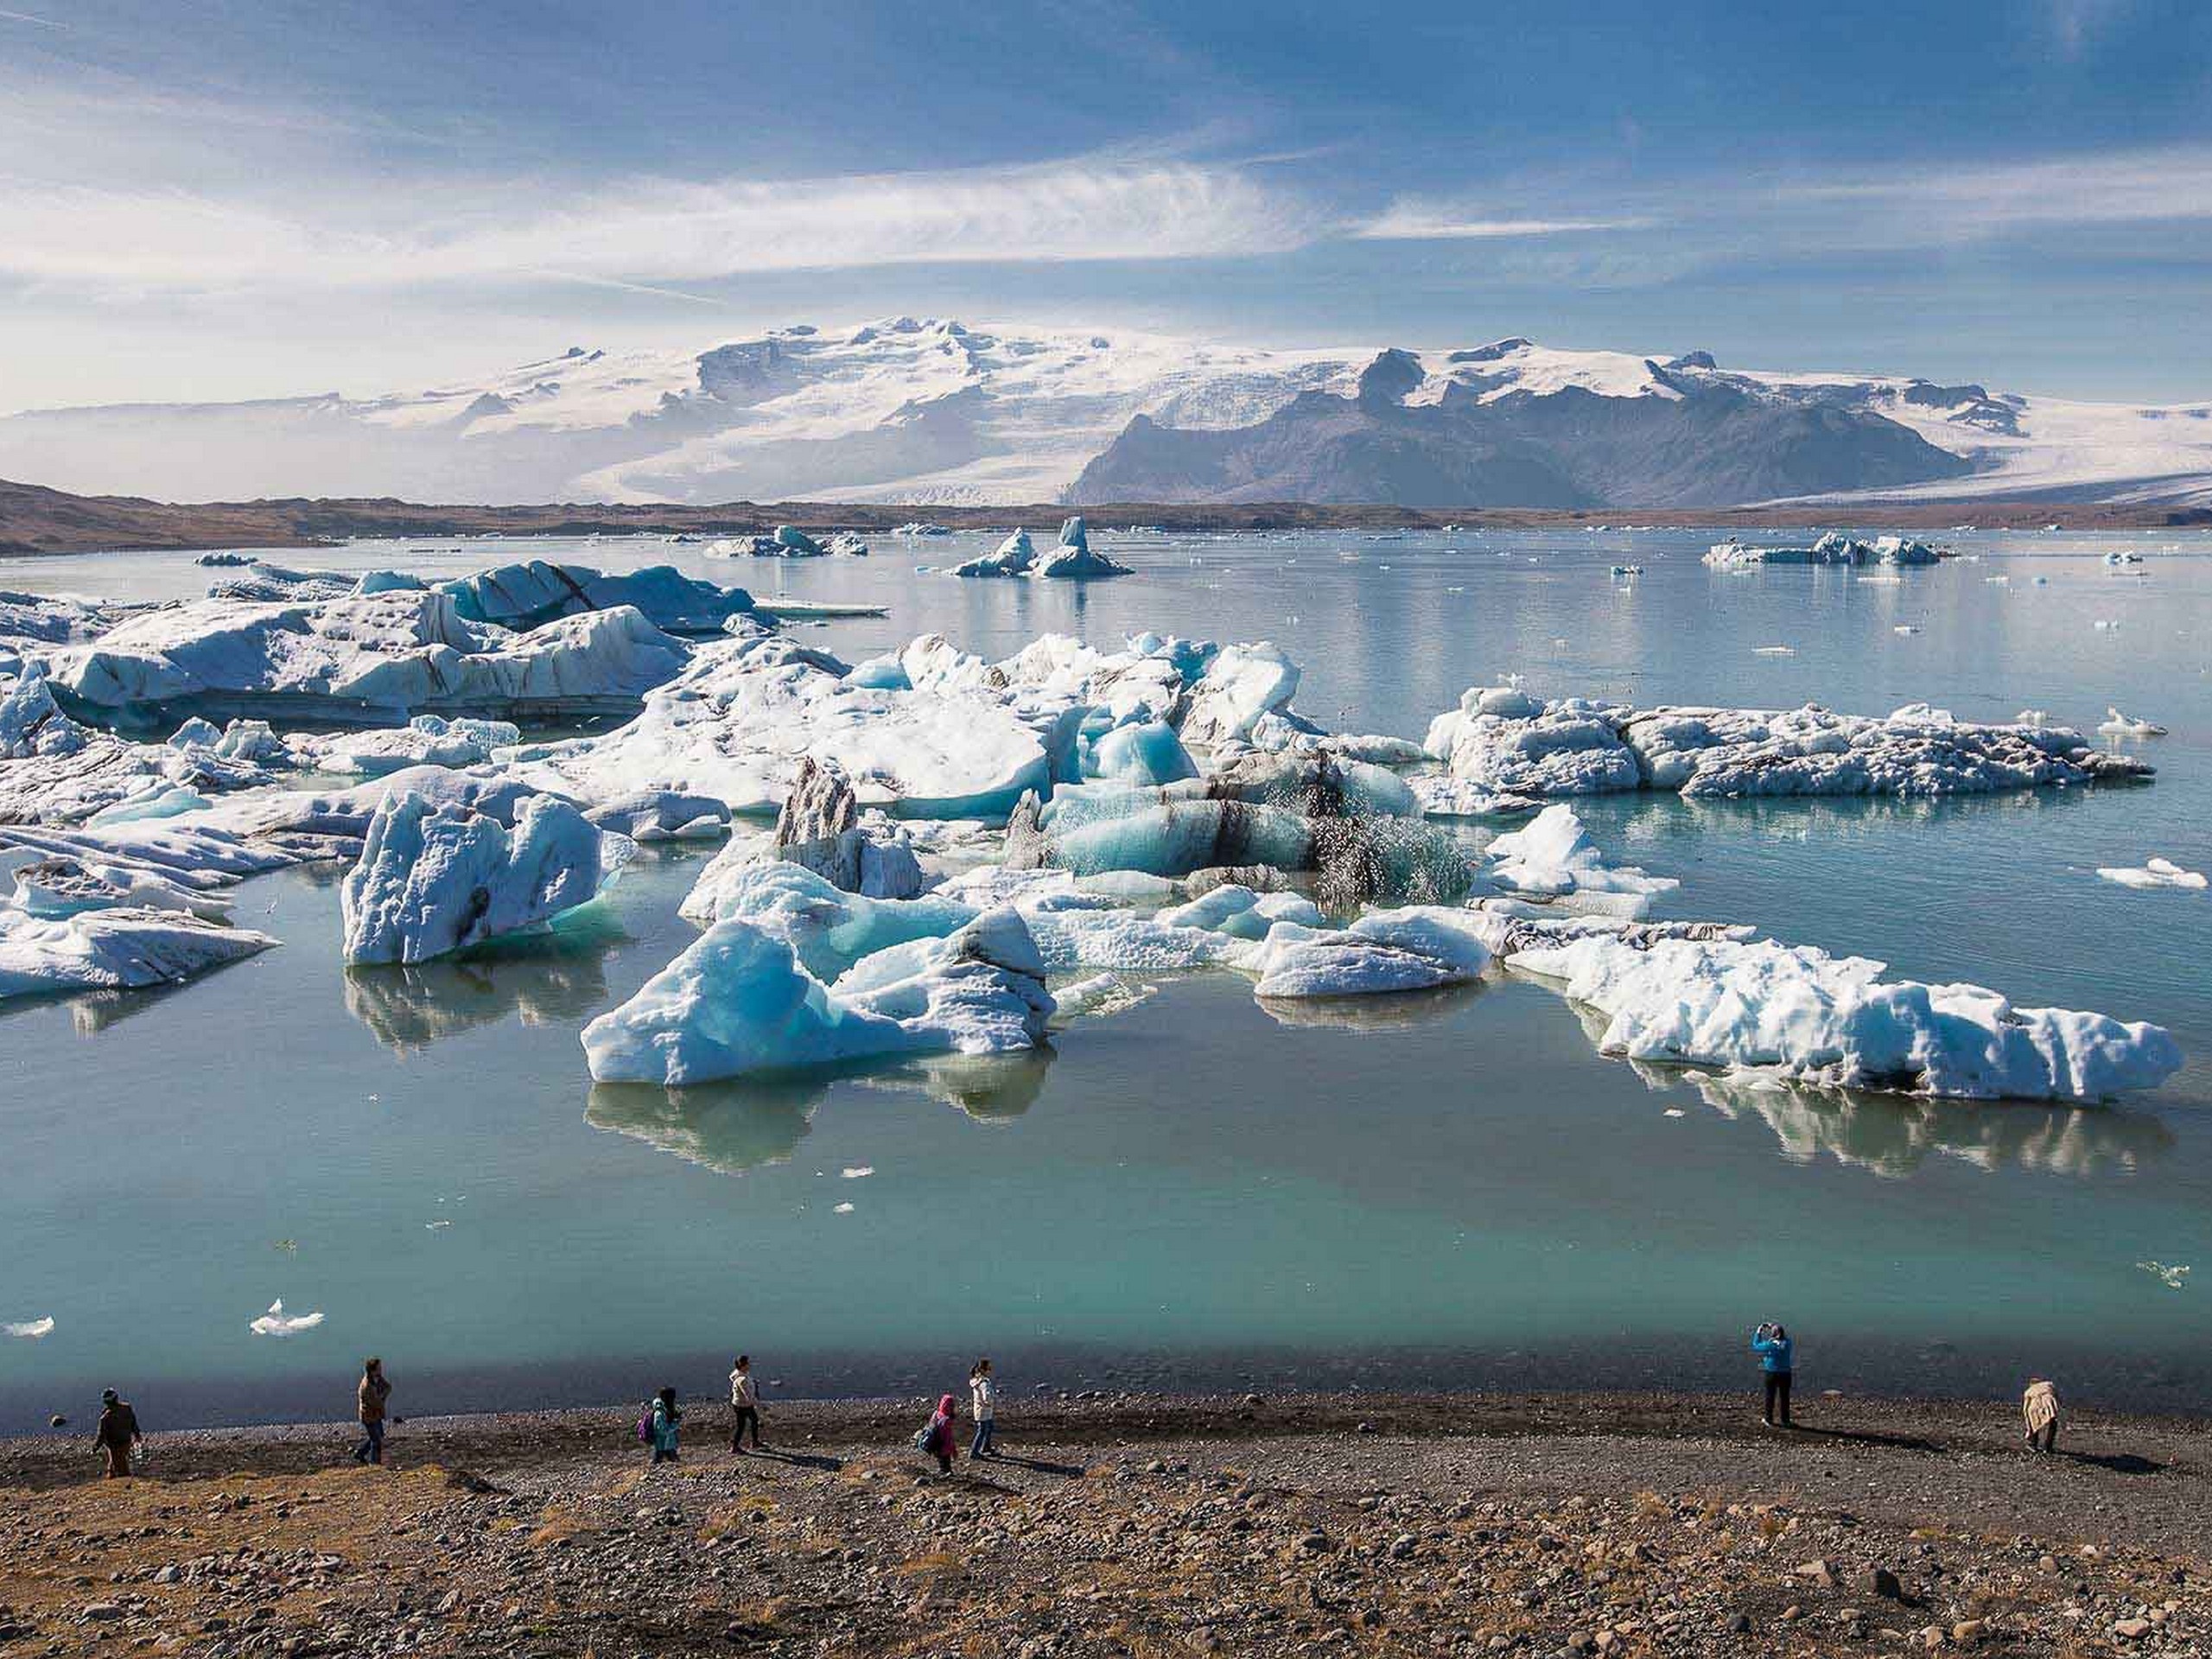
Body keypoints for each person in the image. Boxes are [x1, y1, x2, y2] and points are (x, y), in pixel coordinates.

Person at [1751, 1321, 1795, 1427]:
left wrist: (1759, 1332)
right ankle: (1785, 1420)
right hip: (1786, 1374)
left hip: (1772, 1373)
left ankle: (1769, 1419)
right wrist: (1774, 1327)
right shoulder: (1788, 1343)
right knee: (1785, 1397)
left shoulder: (1770, 1345)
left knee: (1770, 1396)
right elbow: (1782, 1338)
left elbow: (1756, 1345)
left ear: (1773, 1334)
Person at [93, 1389, 142, 1478]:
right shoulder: (127, 1408)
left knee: (121, 1468)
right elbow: (133, 1423)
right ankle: (111, 1477)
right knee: (116, 1462)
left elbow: (101, 1436)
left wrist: (95, 1447)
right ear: (116, 1398)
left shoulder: (105, 1418)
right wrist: (137, 1435)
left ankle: (124, 1483)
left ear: (106, 1402)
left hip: (114, 1446)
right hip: (127, 1442)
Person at [353, 1357, 391, 1465]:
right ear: (373, 1370)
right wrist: (383, 1395)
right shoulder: (367, 1386)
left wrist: (383, 1394)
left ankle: (360, 1453)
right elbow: (376, 1402)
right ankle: (375, 1464)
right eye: (379, 1368)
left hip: (376, 1414)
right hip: (369, 1416)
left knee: (377, 1436)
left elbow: (388, 1387)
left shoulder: (377, 1378)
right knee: (376, 1441)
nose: (381, 1370)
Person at [728, 1355, 762, 1452]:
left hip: (739, 1403)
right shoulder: (742, 1379)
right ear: (743, 1365)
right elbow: (749, 1397)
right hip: (743, 1405)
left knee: (754, 1420)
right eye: (748, 1363)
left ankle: (754, 1442)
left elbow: (732, 1377)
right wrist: (762, 1406)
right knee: (742, 1426)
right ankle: (735, 1447)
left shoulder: (738, 1373)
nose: (749, 1365)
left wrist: (752, 1383)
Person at [919, 1392, 958, 1476]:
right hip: (943, 1448)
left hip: (935, 1445)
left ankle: (942, 1473)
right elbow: (948, 1439)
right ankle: (945, 1478)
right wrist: (953, 1451)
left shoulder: (936, 1414)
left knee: (942, 1464)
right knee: (946, 1468)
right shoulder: (946, 1420)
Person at [2023, 1376, 2063, 1453]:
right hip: (2049, 1405)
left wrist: (2028, 1426)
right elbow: (2057, 1396)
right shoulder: (2048, 1385)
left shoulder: (2029, 1391)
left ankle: (2033, 1445)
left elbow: (2025, 1408)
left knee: (2034, 1424)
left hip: (2034, 1407)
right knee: (2053, 1424)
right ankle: (2048, 1447)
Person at [969, 1358, 997, 1459]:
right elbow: (986, 1397)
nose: (991, 1370)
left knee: (989, 1428)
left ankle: (986, 1447)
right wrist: (990, 1403)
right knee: (982, 1431)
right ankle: (974, 1452)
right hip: (984, 1411)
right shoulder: (984, 1383)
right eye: (989, 1368)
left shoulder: (976, 1380)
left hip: (981, 1410)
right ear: (984, 1370)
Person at [649, 1386, 682, 1463]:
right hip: (661, 1445)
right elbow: (661, 1430)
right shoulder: (660, 1413)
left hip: (668, 1444)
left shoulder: (665, 1411)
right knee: (659, 1462)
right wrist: (675, 1424)